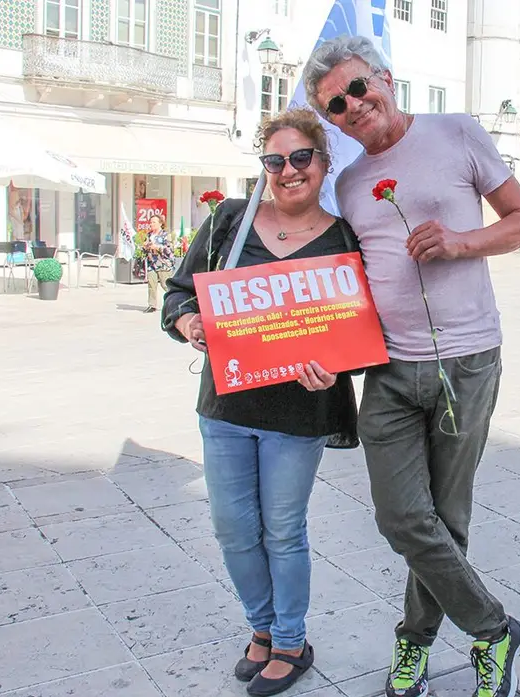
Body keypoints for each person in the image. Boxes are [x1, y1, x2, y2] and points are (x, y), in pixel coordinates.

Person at [305, 34, 520, 697]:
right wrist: (318, 350)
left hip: (465, 360)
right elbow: (343, 287)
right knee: (404, 516)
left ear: (384, 77)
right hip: (387, 369)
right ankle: (494, 630)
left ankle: (413, 644)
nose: (353, 106)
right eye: (336, 107)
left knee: (448, 516)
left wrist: (461, 241)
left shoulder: (458, 132)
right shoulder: (348, 185)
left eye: (357, 89)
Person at [159, 108, 361, 696]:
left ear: (323, 163)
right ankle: (261, 628)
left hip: (298, 414)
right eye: (275, 160)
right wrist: (190, 321)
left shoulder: (345, 237)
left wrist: (338, 366)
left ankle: (291, 641)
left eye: (302, 157)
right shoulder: (228, 222)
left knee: (283, 529)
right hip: (225, 407)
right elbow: (177, 293)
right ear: (264, 167)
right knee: (231, 529)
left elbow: (357, 328)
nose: (289, 170)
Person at [141, 214, 176, 314]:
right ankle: (152, 305)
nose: (151, 224)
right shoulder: (149, 235)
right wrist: (145, 247)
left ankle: (174, 302)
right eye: (151, 222)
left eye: (154, 222)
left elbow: (170, 249)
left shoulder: (165, 235)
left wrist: (158, 247)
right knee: (151, 284)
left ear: (160, 223)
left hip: (163, 264)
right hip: (152, 264)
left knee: (166, 285)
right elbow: (145, 249)